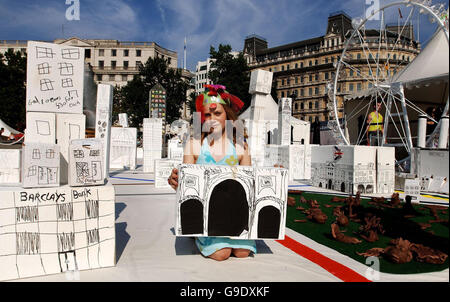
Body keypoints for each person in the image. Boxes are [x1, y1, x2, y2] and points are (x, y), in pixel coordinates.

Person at [168, 84, 256, 261]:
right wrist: (177, 182)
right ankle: (198, 236)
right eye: (207, 114)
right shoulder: (194, 145)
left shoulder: (241, 146)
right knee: (221, 254)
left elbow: (249, 186)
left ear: (228, 116)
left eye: (217, 114)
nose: (212, 119)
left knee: (242, 252)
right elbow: (188, 189)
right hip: (207, 215)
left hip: (234, 214)